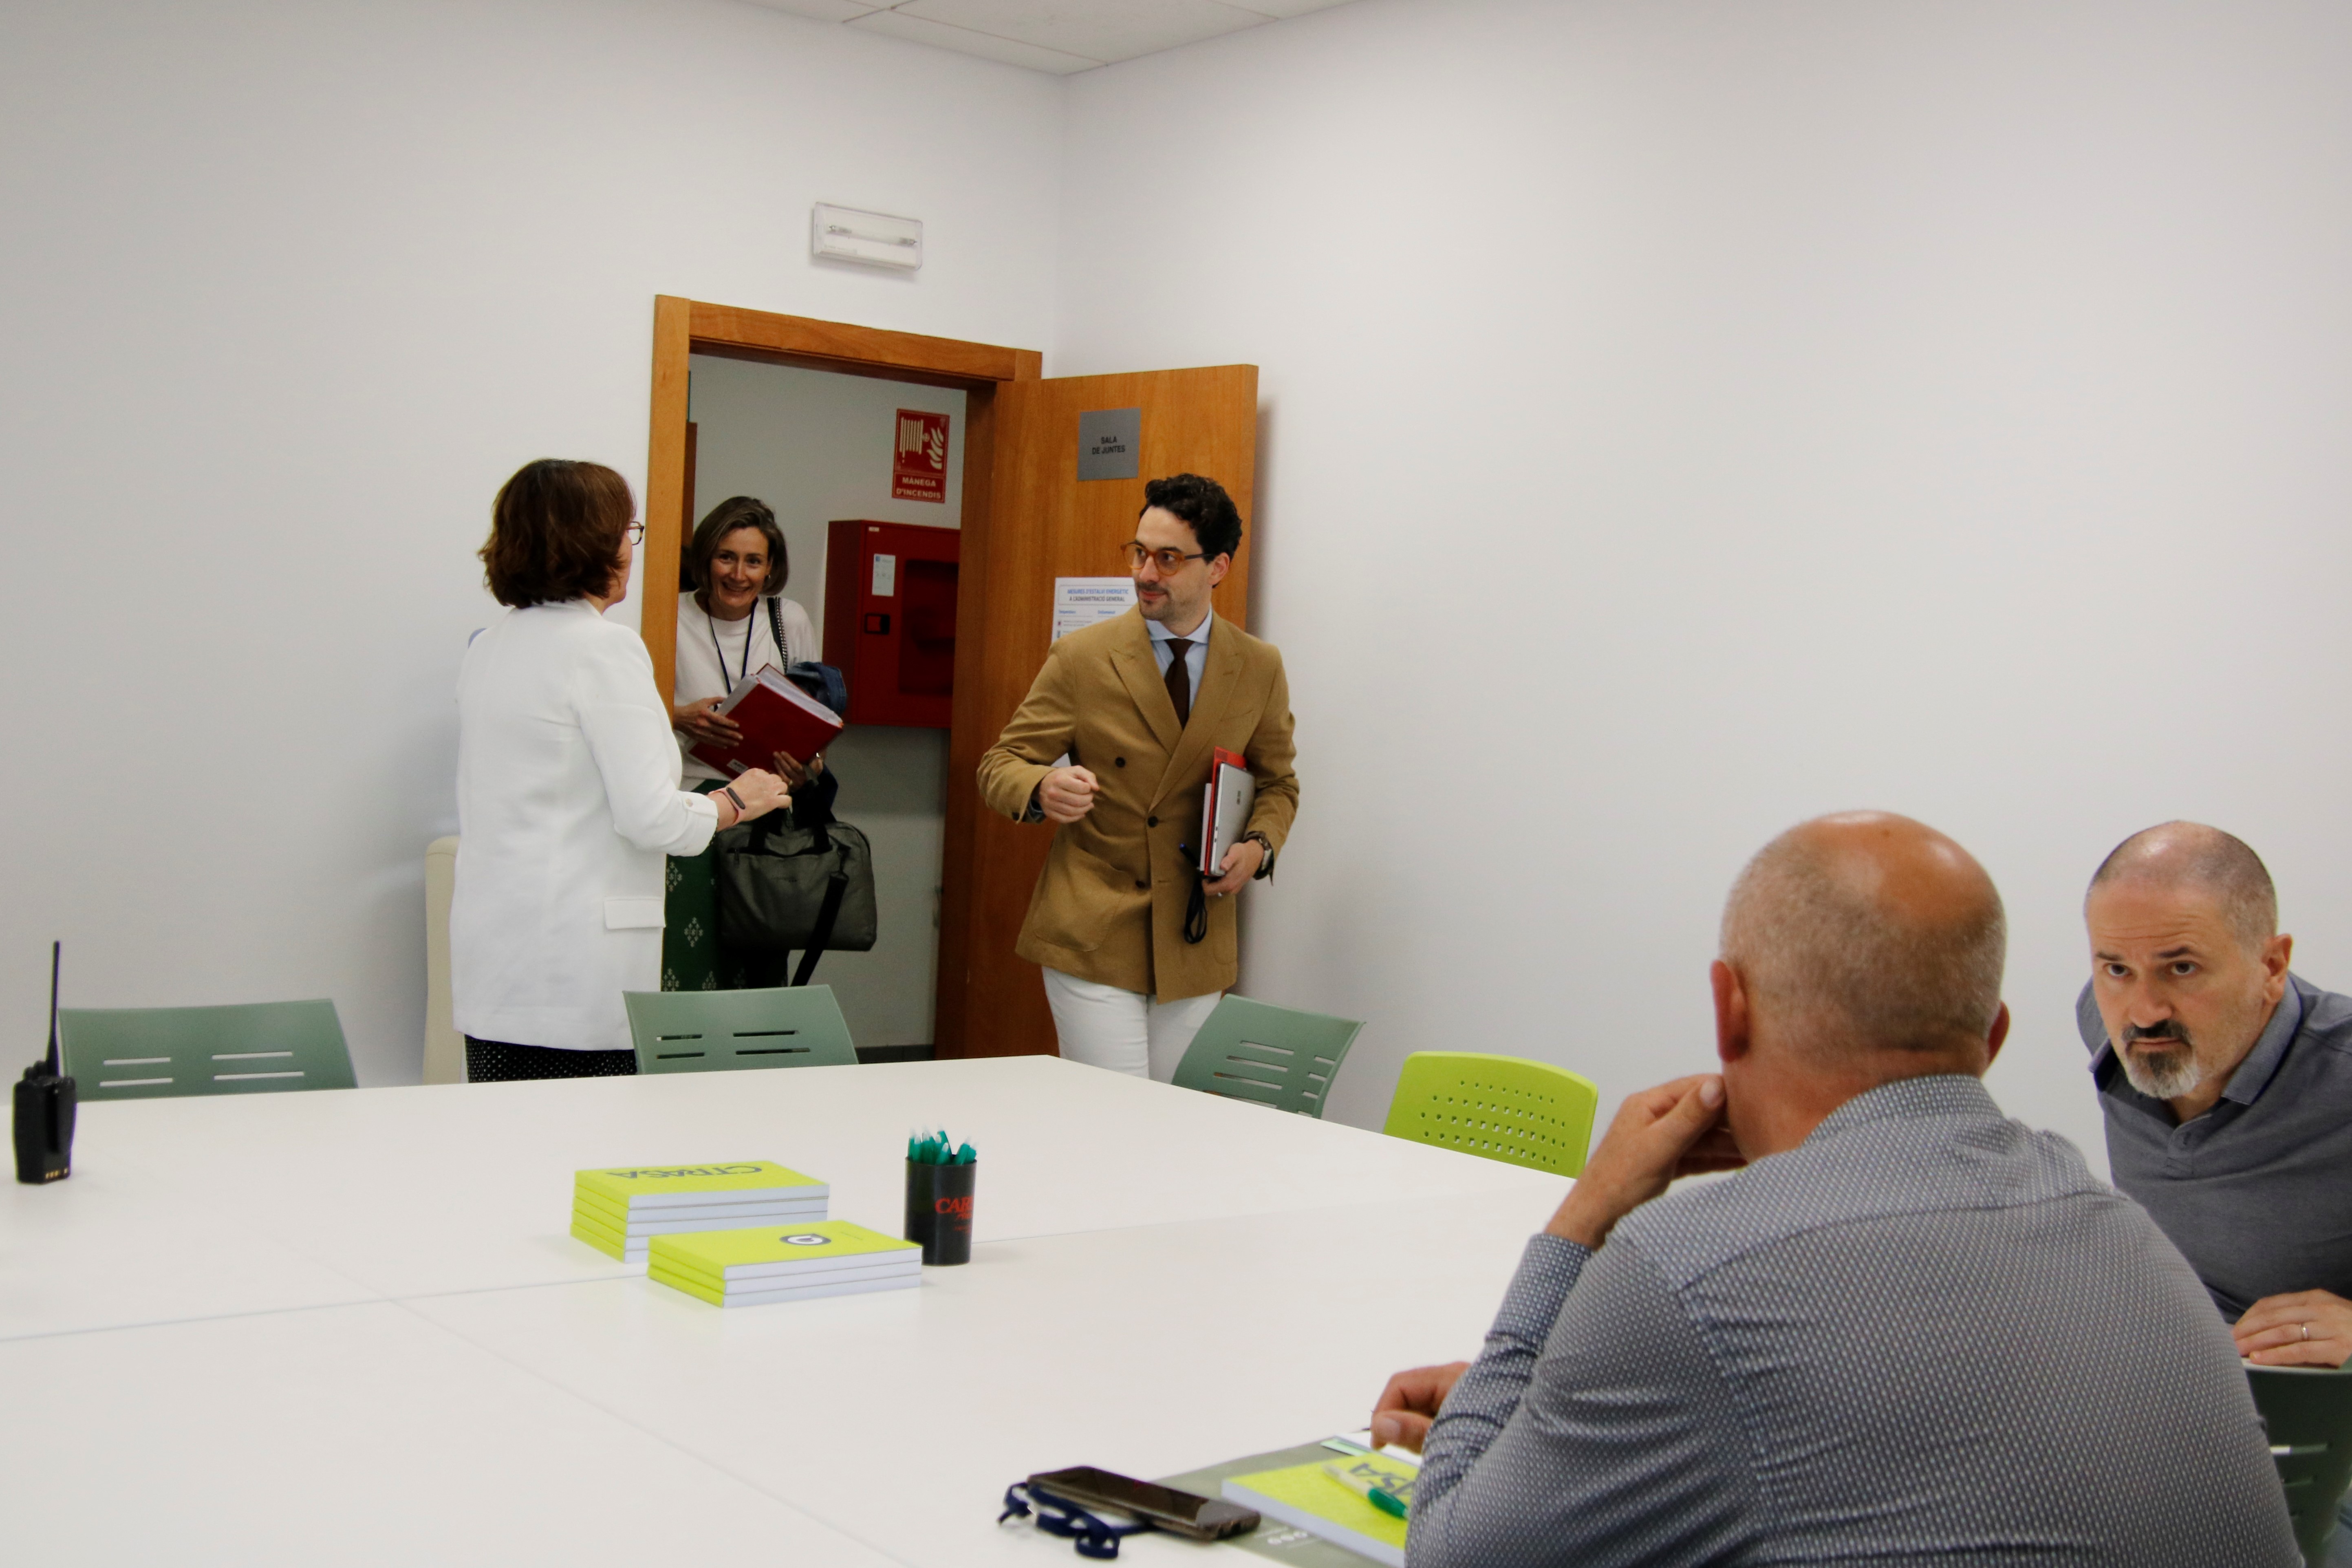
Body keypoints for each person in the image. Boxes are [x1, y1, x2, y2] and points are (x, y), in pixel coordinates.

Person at [1372, 812, 2297, 1568]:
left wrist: (1583, 1216)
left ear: (1727, 1007)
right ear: (1993, 1035)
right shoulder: (2120, 1226)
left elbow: (1452, 1549)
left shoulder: (1686, 1272)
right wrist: (1571, 1405)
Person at [452, 460, 791, 1081]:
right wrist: (739, 798)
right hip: (574, 971)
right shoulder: (603, 648)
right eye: (627, 531)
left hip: (497, 960)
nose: (630, 549)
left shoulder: (492, 644)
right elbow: (653, 817)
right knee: (581, 1161)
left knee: (509, 1155)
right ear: (593, 543)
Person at [2076, 821, 2352, 1559]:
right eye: (2115, 968)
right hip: (2174, 1417)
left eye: (2182, 968)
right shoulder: (2112, 1030)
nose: (2142, 1010)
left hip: (2325, 1440)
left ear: (2271, 964)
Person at [975, 474, 1298, 1080]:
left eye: (1169, 558)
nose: (1146, 572)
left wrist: (1257, 848)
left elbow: (1278, 782)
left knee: (1172, 1125)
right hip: (1094, 925)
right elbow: (1001, 764)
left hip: (1194, 929)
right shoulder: (1083, 656)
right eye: (1140, 551)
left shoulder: (1257, 664)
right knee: (1115, 1114)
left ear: (1218, 566)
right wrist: (1041, 789)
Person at [663, 496, 835, 991]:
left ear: (770, 567)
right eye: (726, 557)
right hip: (691, 803)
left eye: (753, 561)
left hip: (766, 812)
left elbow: (814, 720)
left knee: (757, 969)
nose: (738, 574)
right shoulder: (667, 616)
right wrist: (678, 717)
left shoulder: (789, 620)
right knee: (686, 962)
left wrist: (810, 766)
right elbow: (634, 712)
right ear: (704, 560)